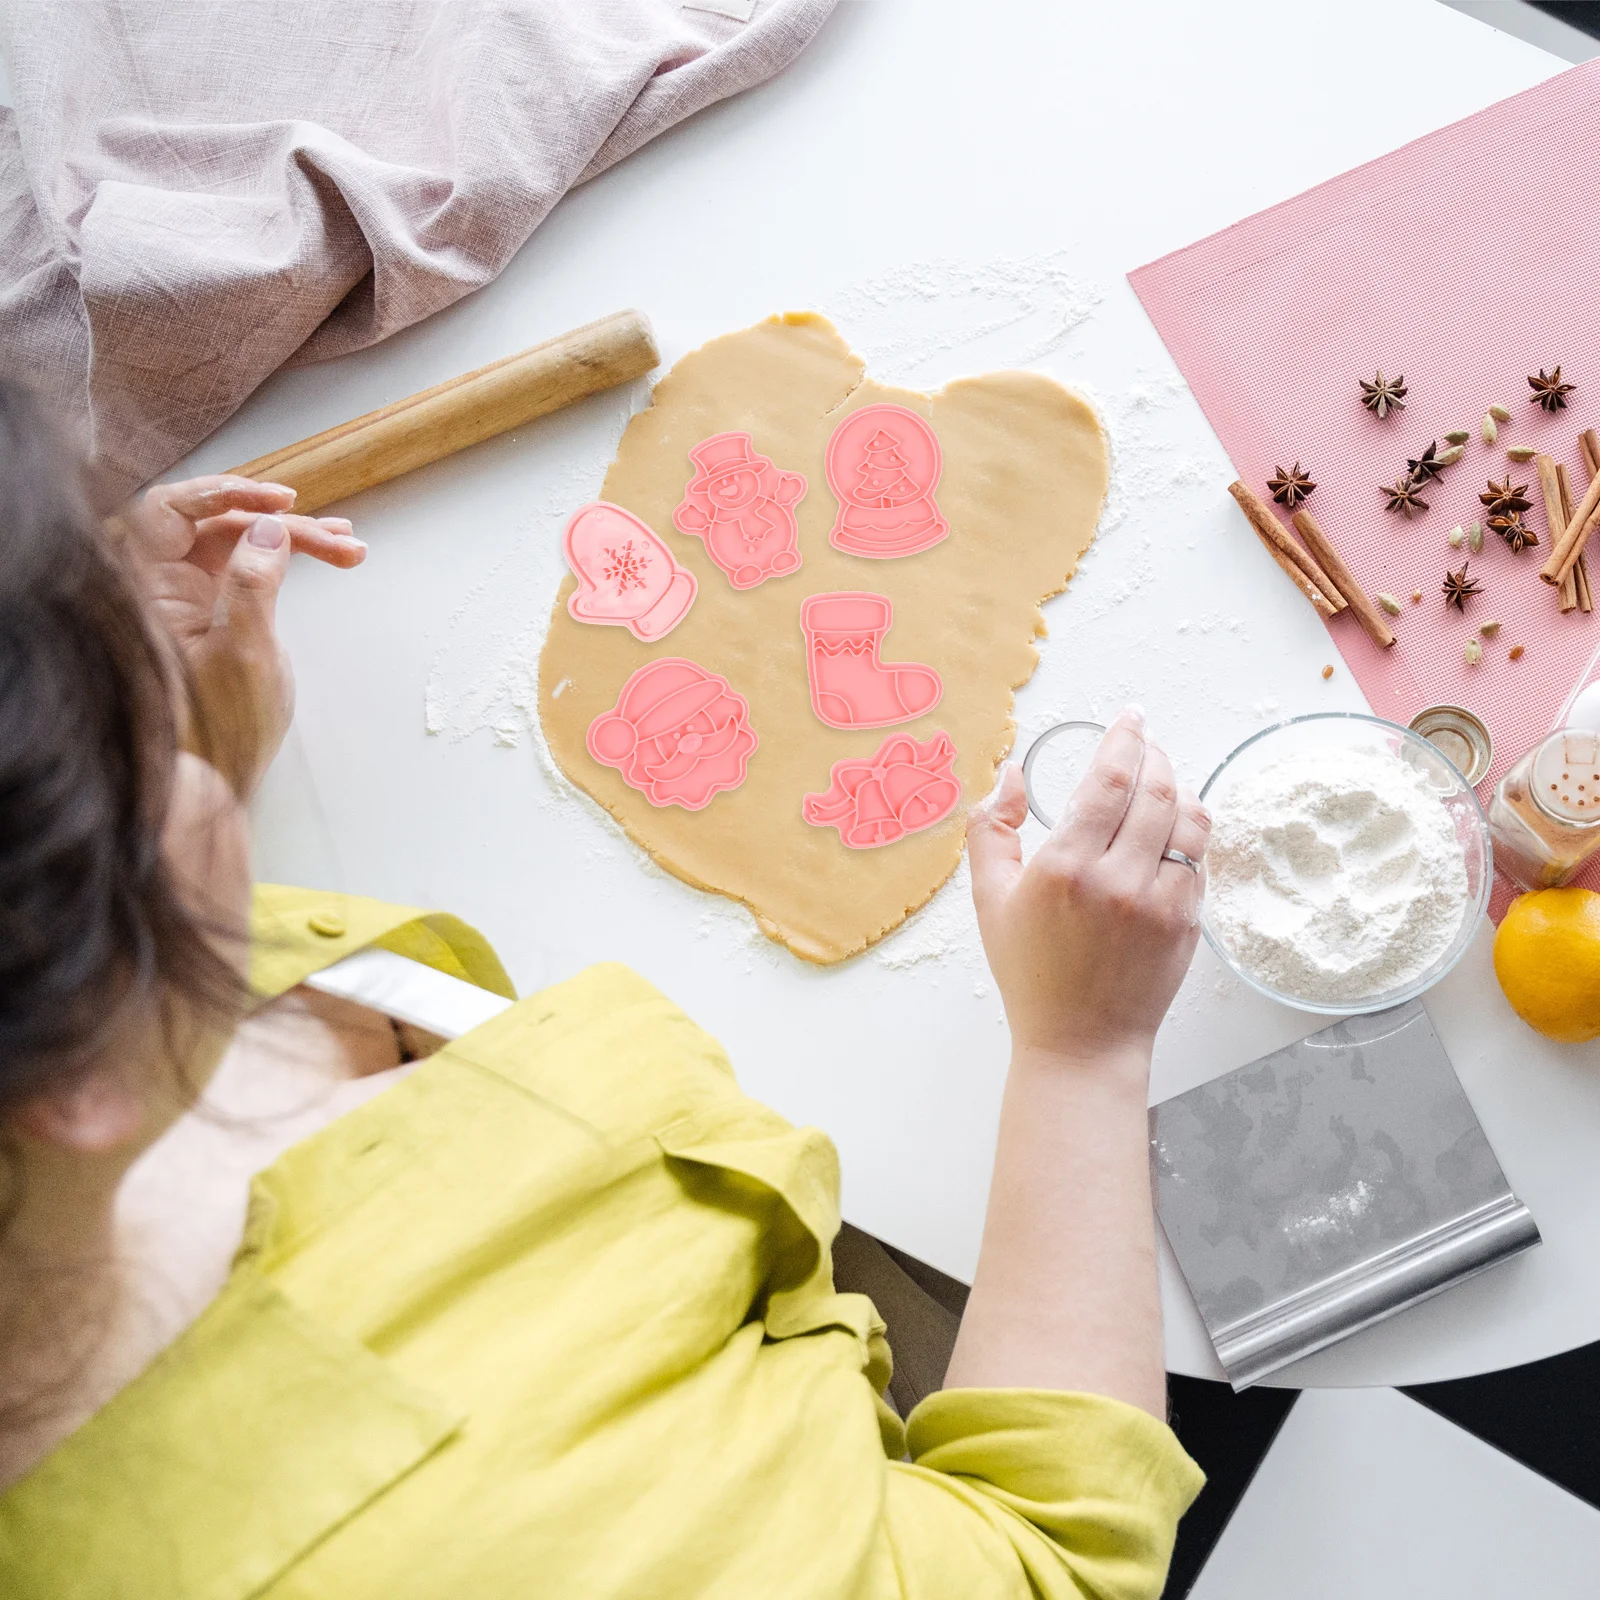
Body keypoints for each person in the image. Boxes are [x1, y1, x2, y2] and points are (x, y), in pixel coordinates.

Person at [0, 377, 1210, 1598]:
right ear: (77, 1048)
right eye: (115, 762)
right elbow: (1047, 1557)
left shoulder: (56, 1068)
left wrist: (172, 768)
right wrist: (1082, 1051)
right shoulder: (539, 1541)